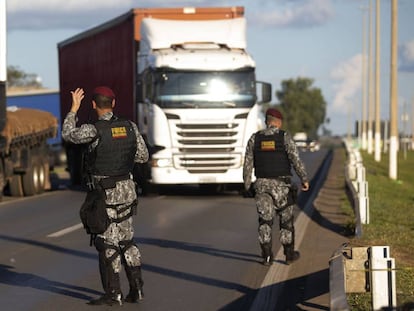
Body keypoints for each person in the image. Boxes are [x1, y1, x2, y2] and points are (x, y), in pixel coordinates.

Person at [62, 86, 149, 305]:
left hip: (105, 194)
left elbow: (68, 134)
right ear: (114, 103)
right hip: (127, 191)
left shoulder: (93, 130)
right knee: (127, 240)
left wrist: (73, 109)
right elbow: (142, 156)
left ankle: (113, 294)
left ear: (93, 105)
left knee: (107, 243)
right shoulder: (129, 126)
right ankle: (137, 290)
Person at [243, 108, 310, 266]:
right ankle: (288, 254)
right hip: (282, 187)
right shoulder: (284, 137)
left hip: (261, 186)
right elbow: (295, 160)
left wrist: (247, 185)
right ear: (278, 122)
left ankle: (266, 256)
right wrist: (304, 179)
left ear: (267, 121)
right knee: (286, 221)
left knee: (265, 221)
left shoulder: (255, 139)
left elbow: (247, 165)